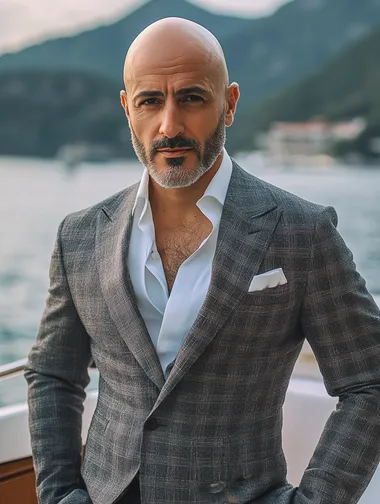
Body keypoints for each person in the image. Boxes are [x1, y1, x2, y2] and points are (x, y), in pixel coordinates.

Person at [25, 17, 380, 504]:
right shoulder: (80, 236)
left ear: (229, 104)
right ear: (128, 109)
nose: (170, 125)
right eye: (151, 101)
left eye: (191, 97)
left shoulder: (303, 232)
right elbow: (52, 373)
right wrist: (61, 494)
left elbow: (369, 380)